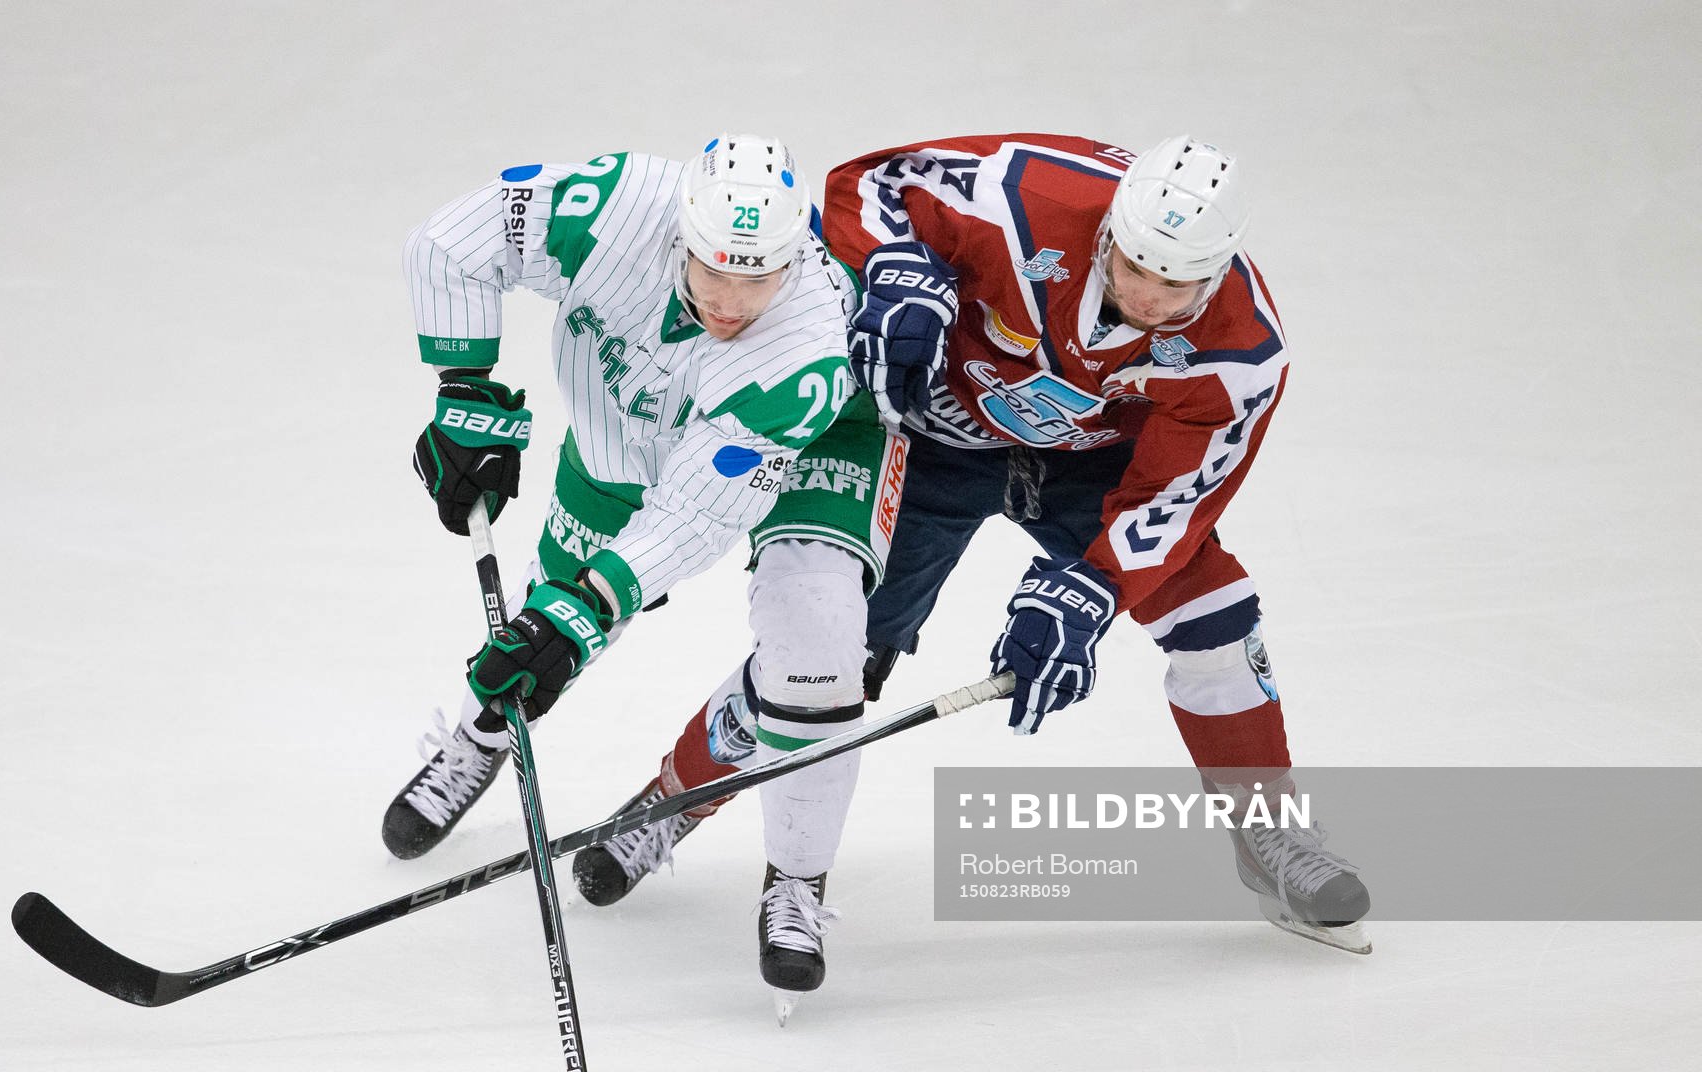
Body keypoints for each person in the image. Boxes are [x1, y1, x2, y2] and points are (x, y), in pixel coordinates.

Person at [580, 132, 1373, 956]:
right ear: (1108, 233)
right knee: (823, 659)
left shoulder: (1244, 348)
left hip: (1087, 466)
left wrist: (1093, 586)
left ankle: (1271, 834)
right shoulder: (1024, 196)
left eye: (1176, 286)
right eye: (1134, 266)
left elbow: (1178, 495)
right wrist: (896, 266)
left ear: (1218, 271)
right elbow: (865, 185)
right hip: (932, 436)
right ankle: (669, 802)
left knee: (1217, 618)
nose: (1146, 295)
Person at [384, 136, 905, 1012]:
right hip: (622, 423)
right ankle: (481, 738)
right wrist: (465, 388)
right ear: (681, 236)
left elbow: (696, 511)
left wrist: (589, 606)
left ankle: (798, 883)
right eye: (713, 271)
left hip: (823, 441)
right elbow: (452, 243)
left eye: (758, 278)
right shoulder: (617, 205)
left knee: (813, 642)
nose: (732, 300)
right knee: (549, 611)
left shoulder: (805, 343)